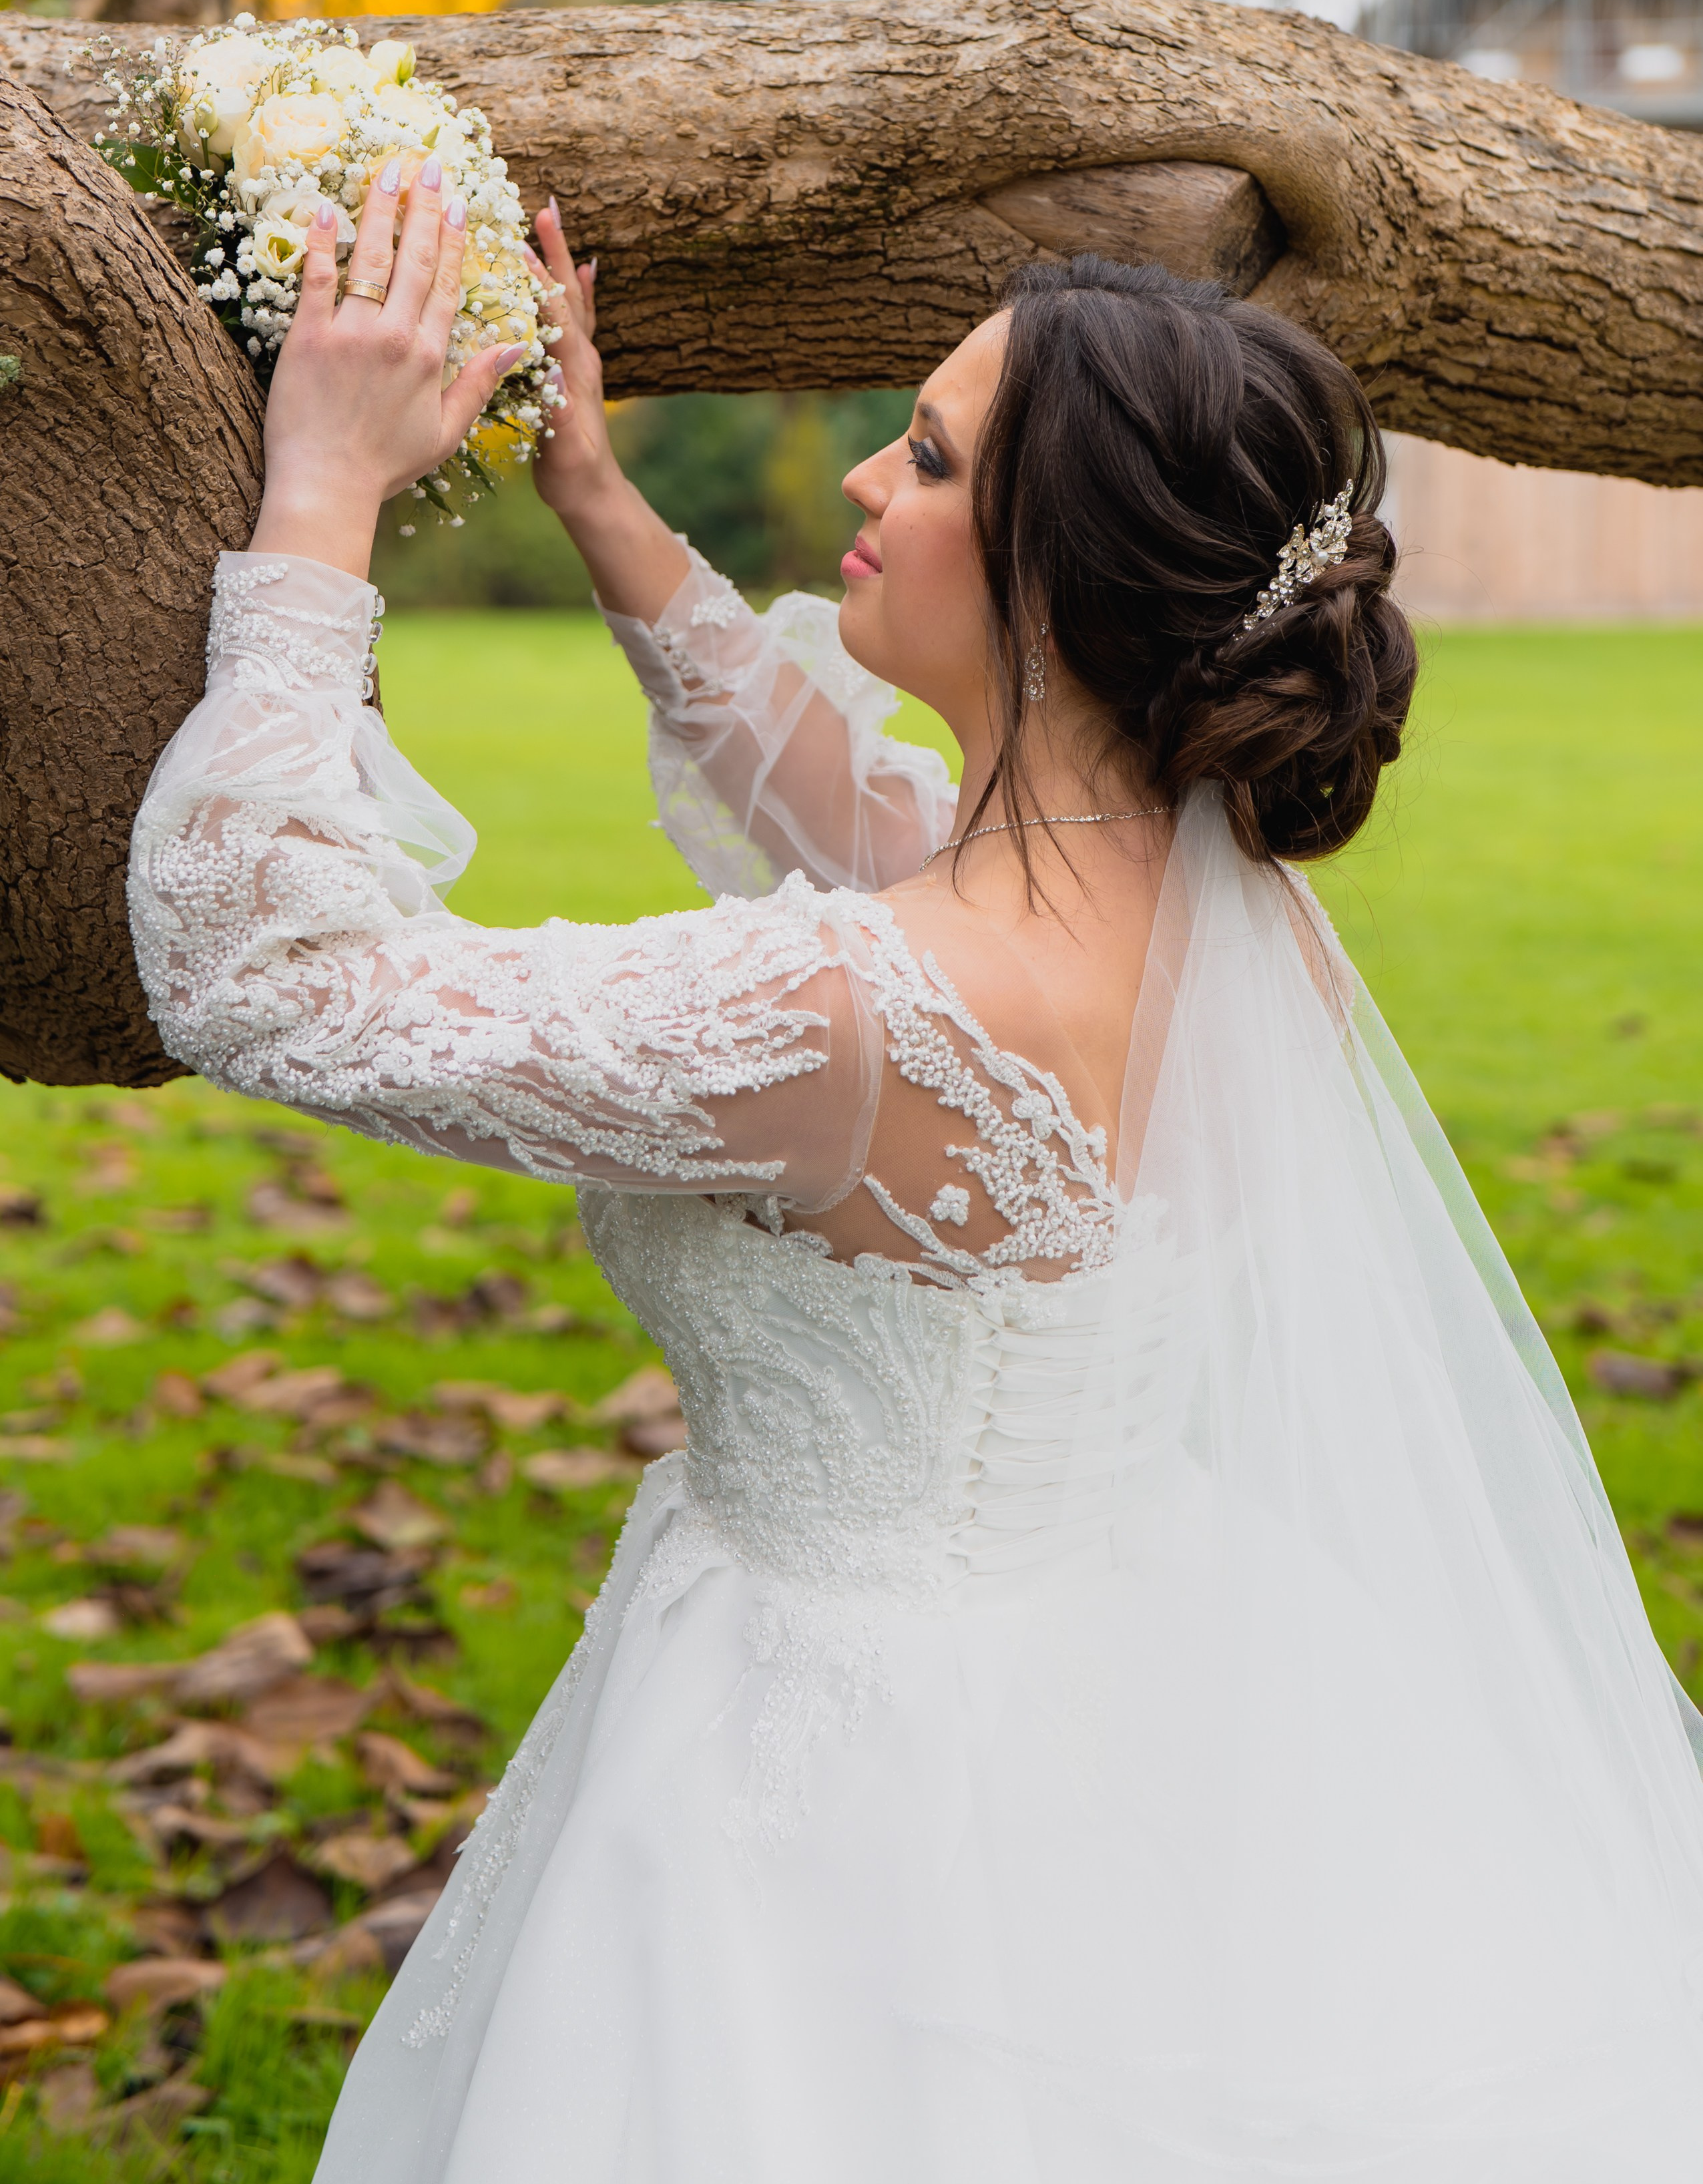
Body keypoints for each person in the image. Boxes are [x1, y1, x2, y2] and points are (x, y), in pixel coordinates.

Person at [129, 156, 1703, 2184]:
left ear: (1059, 566)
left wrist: (321, 493)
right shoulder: (1219, 929)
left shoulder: (857, 1016)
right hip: (1141, 1677)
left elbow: (268, 972)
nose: (868, 482)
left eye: (933, 457)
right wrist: (597, 495)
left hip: (824, 1787)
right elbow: (858, 813)